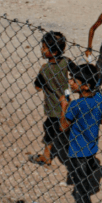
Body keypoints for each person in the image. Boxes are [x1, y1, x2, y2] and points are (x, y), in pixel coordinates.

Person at [61, 63, 102, 203]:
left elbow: (63, 126)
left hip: (76, 153)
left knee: (80, 192)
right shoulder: (98, 100)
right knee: (85, 181)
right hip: (90, 151)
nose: (71, 82)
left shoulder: (75, 105)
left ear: (85, 86)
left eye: (74, 80)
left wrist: (64, 107)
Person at [30, 31, 71, 167]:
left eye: (44, 47)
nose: (42, 50)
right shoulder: (66, 62)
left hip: (53, 108)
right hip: (67, 104)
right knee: (67, 128)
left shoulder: (45, 69)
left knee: (50, 129)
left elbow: (38, 87)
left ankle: (46, 156)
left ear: (53, 52)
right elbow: (76, 72)